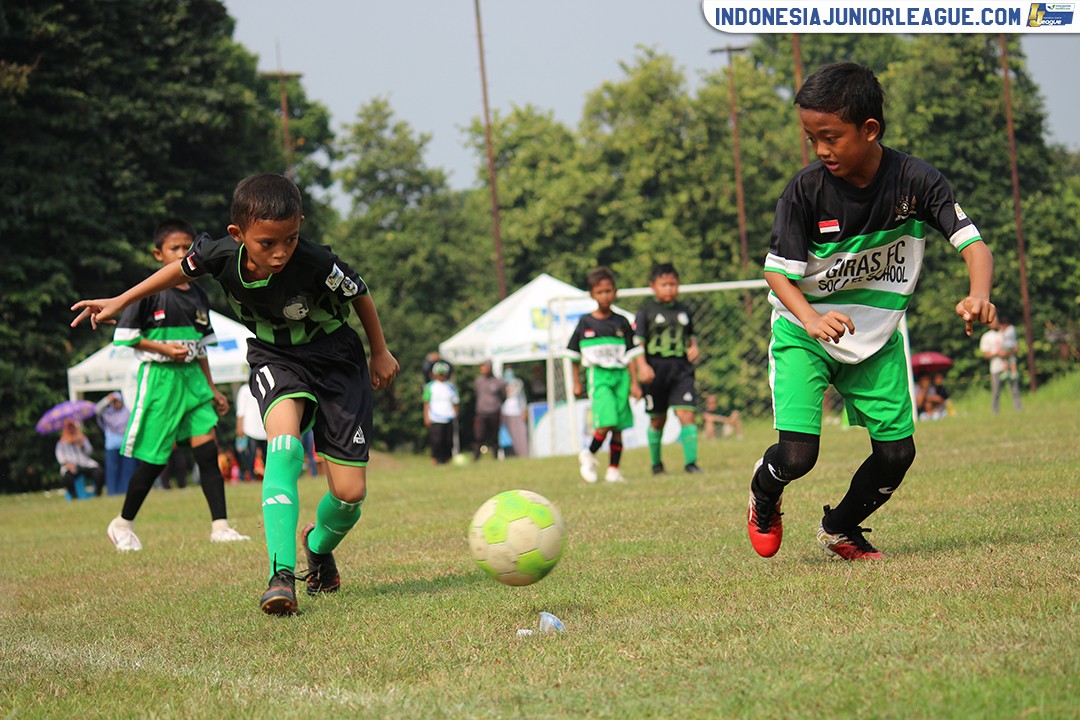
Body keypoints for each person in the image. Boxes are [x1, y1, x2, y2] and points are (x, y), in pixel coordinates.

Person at [72, 174, 400, 616]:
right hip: (277, 356)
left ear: (300, 226)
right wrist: (120, 299)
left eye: (291, 238)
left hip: (337, 359)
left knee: (349, 495)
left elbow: (360, 293)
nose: (281, 252)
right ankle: (281, 576)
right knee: (282, 447)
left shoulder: (317, 262)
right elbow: (177, 270)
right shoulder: (218, 254)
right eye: (268, 243)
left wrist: (379, 351)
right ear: (238, 235)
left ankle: (316, 548)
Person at [746, 61, 995, 562]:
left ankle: (840, 527)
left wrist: (979, 293)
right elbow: (778, 274)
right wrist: (813, 320)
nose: (820, 150)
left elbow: (974, 247)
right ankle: (764, 495)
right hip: (803, 332)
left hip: (875, 338)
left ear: (870, 129)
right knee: (798, 456)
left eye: (831, 137)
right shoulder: (805, 191)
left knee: (898, 454)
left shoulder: (915, 181)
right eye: (811, 137)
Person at [88, 219, 247, 551]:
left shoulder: (199, 294)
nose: (182, 253)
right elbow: (126, 337)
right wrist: (164, 349)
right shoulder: (149, 292)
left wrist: (213, 388)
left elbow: (202, 346)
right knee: (155, 459)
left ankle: (220, 526)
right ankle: (122, 523)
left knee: (207, 451)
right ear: (158, 253)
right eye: (174, 248)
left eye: (187, 247)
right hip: (161, 380)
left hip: (193, 380)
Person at [567, 266, 643, 483]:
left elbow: (631, 355)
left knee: (619, 426)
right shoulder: (585, 323)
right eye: (600, 292)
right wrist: (576, 382)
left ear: (615, 292)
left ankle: (613, 470)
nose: (605, 296)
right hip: (599, 376)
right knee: (606, 421)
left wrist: (635, 384)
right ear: (592, 294)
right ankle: (589, 453)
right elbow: (572, 355)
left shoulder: (621, 322)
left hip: (621, 376)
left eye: (608, 291)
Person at [634, 262, 703, 475]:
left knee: (687, 414)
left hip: (681, 369)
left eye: (673, 284)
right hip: (655, 368)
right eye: (664, 285)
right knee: (658, 419)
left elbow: (691, 337)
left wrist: (694, 348)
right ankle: (656, 464)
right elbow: (638, 343)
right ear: (653, 286)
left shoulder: (684, 310)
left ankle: (691, 463)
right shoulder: (646, 311)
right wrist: (642, 366)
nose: (669, 289)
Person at [94, 392, 136, 495]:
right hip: (111, 445)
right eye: (115, 402)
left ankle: (126, 490)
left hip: (126, 444)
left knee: (128, 470)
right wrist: (107, 400)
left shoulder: (127, 412)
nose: (117, 404)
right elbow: (96, 409)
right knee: (112, 470)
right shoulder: (108, 413)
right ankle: (112, 492)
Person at [980, 315, 1022, 414]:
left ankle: (1018, 409)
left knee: (1015, 389)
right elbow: (985, 354)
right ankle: (995, 411)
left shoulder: (1006, 332)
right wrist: (998, 354)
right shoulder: (986, 336)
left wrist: (1006, 353)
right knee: (996, 391)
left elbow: (1015, 348)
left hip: (1009, 366)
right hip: (996, 368)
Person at [55, 419, 104, 498]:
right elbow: (60, 457)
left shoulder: (82, 438)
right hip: (71, 466)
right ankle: (74, 496)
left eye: (72, 427)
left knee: (98, 472)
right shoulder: (61, 443)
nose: (71, 430)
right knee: (67, 478)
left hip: (85, 463)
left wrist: (82, 445)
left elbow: (90, 452)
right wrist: (68, 465)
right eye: (69, 428)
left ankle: (97, 494)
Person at [423, 361, 459, 465]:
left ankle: (447, 460)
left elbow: (456, 402)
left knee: (448, 441)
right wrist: (426, 416)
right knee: (436, 441)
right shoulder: (430, 386)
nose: (441, 376)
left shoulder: (451, 387)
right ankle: (435, 459)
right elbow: (426, 402)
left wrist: (455, 415)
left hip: (448, 417)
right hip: (435, 418)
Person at [472, 360, 506, 460]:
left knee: (494, 437)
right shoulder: (478, 381)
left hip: (494, 413)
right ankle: (476, 457)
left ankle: (495, 456)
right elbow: (476, 394)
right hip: (481, 413)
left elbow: (503, 396)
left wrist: (496, 405)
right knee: (479, 436)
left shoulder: (498, 382)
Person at [235, 381, 268, 481]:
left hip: (263, 427)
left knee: (267, 454)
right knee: (251, 455)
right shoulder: (245, 389)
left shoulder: (264, 386)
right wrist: (239, 426)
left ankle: (268, 476)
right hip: (250, 427)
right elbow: (240, 410)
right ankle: (251, 477)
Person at [500, 367, 529, 457]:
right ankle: (510, 454)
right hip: (505, 413)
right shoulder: (502, 384)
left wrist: (524, 410)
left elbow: (522, 397)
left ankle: (523, 453)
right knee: (507, 436)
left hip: (517, 412)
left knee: (520, 434)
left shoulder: (518, 383)